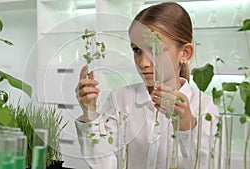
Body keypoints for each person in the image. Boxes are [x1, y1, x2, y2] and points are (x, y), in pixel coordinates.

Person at [74, 2, 218, 169]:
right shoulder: (121, 98)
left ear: (185, 53)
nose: (143, 63)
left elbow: (206, 165)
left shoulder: (204, 107)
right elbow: (104, 164)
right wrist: (90, 113)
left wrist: (186, 126)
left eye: (155, 50)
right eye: (137, 50)